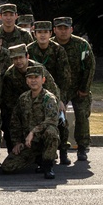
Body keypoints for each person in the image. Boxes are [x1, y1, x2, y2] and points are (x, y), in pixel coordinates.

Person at [1, 66, 60, 179]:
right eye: (30, 78)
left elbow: (52, 120)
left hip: (42, 139)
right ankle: (37, 157)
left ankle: (47, 166)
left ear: (43, 80)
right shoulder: (23, 98)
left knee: (51, 132)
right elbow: (15, 122)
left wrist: (33, 132)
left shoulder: (49, 98)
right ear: (27, 81)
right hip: (29, 144)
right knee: (7, 167)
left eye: (36, 77)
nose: (33, 80)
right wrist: (17, 142)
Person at [27, 21, 72, 164]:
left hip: (55, 91)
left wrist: (61, 100)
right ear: (34, 34)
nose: (42, 35)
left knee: (61, 119)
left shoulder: (58, 50)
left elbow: (65, 78)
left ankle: (63, 150)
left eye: (45, 32)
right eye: (39, 32)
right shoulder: (30, 50)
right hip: (34, 90)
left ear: (50, 34)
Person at [53, 16, 95, 162]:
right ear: (55, 30)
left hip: (79, 87)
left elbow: (89, 67)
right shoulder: (51, 45)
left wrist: (84, 88)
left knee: (82, 116)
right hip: (60, 88)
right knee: (60, 118)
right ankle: (62, 148)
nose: (63, 32)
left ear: (71, 29)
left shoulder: (81, 45)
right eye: (60, 28)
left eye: (66, 28)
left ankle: (82, 148)